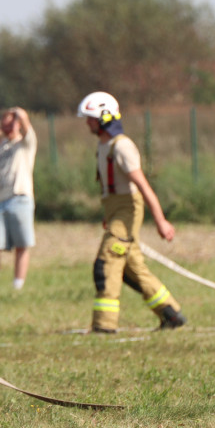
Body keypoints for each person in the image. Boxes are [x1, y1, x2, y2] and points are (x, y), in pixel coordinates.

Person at [77, 91, 187, 333]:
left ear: (104, 117)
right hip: (116, 211)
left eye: (90, 118)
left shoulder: (122, 147)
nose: (87, 123)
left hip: (127, 211)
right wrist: (109, 216)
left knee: (106, 262)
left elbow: (143, 187)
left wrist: (161, 221)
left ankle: (104, 325)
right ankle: (171, 313)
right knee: (132, 269)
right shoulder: (104, 145)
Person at [0, 107, 37, 290]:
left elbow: (26, 121)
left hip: (20, 198)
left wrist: (16, 114)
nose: (7, 128)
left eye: (10, 124)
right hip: (0, 201)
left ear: (18, 125)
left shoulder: (26, 143)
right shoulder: (2, 147)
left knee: (22, 245)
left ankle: (18, 286)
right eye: (4, 125)